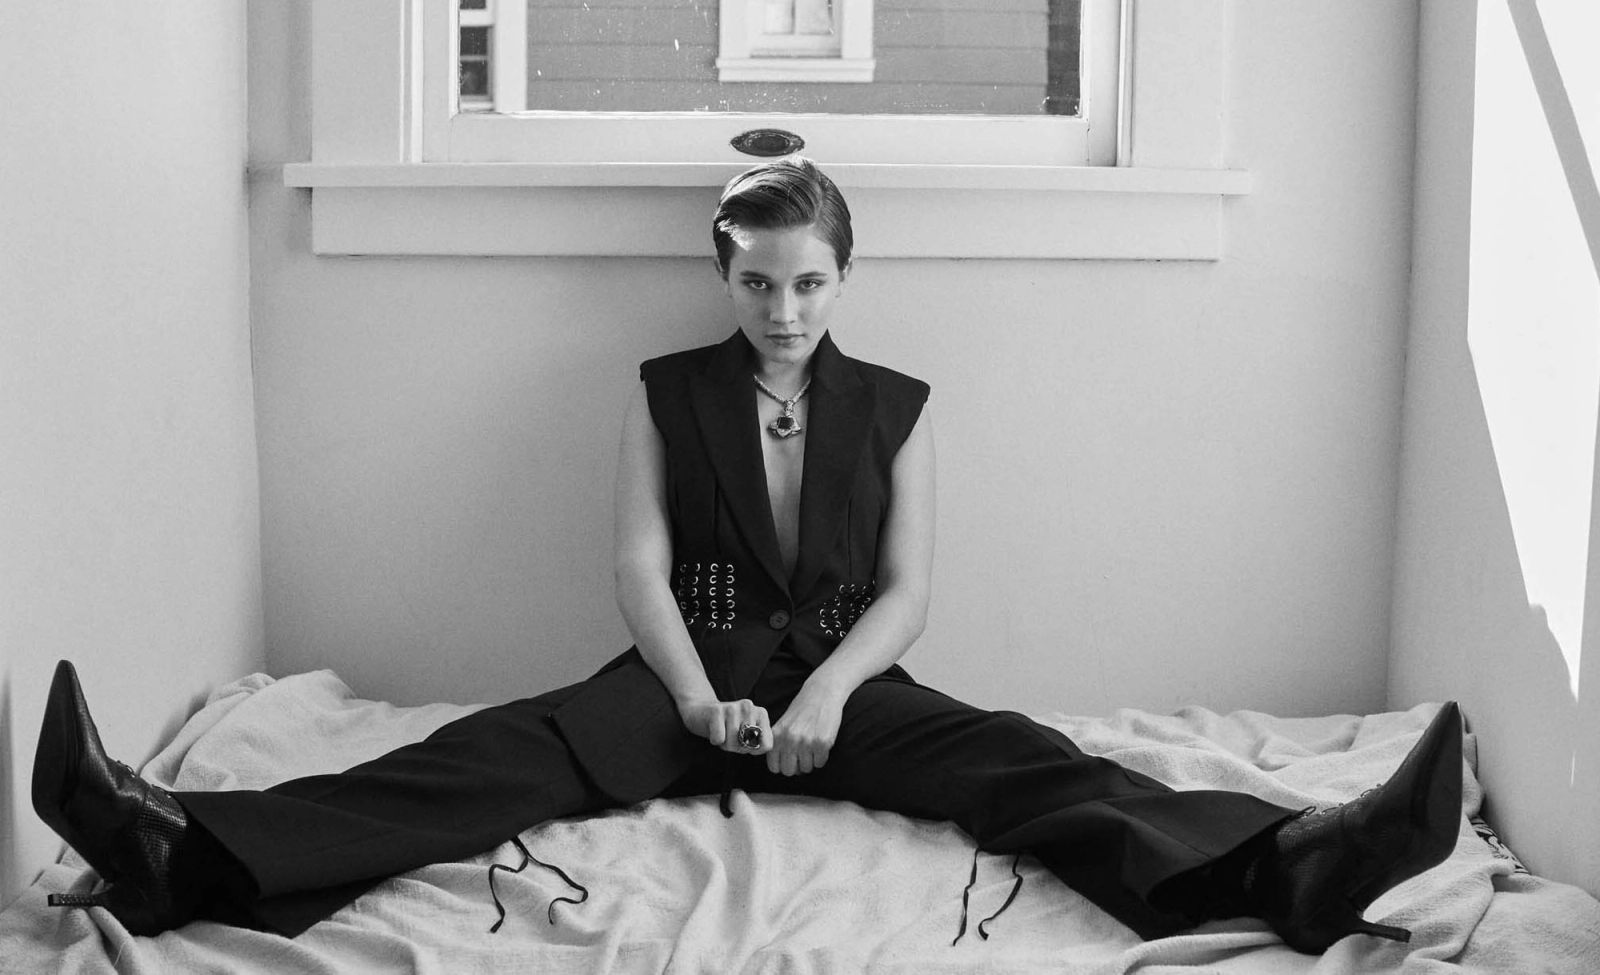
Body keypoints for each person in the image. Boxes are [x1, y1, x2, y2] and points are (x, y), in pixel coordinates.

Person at [32, 158, 1463, 955]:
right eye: (760, 281)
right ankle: (178, 853)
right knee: (489, 759)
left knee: (1026, 765)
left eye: (810, 282)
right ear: (725, 274)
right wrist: (693, 699)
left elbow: (908, 591)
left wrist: (829, 696)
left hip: (843, 683)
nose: (785, 308)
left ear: (845, 277)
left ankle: (1295, 866)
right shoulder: (666, 393)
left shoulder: (897, 406)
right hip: (686, 681)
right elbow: (638, 568)